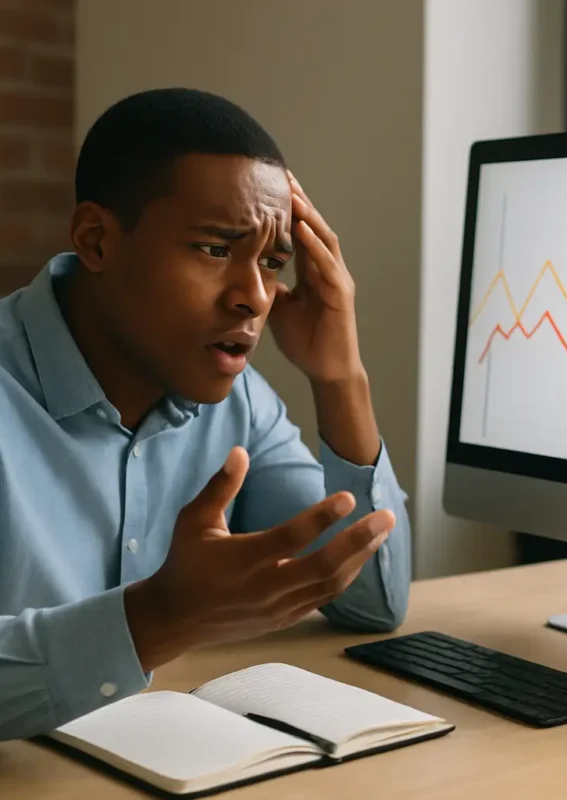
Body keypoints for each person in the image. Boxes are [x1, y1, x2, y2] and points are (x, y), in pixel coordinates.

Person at [0, 88, 411, 741]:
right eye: (217, 249)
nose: (253, 297)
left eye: (273, 263)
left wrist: (340, 378)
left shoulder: (240, 398)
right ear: (96, 239)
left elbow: (371, 603)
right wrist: (157, 618)